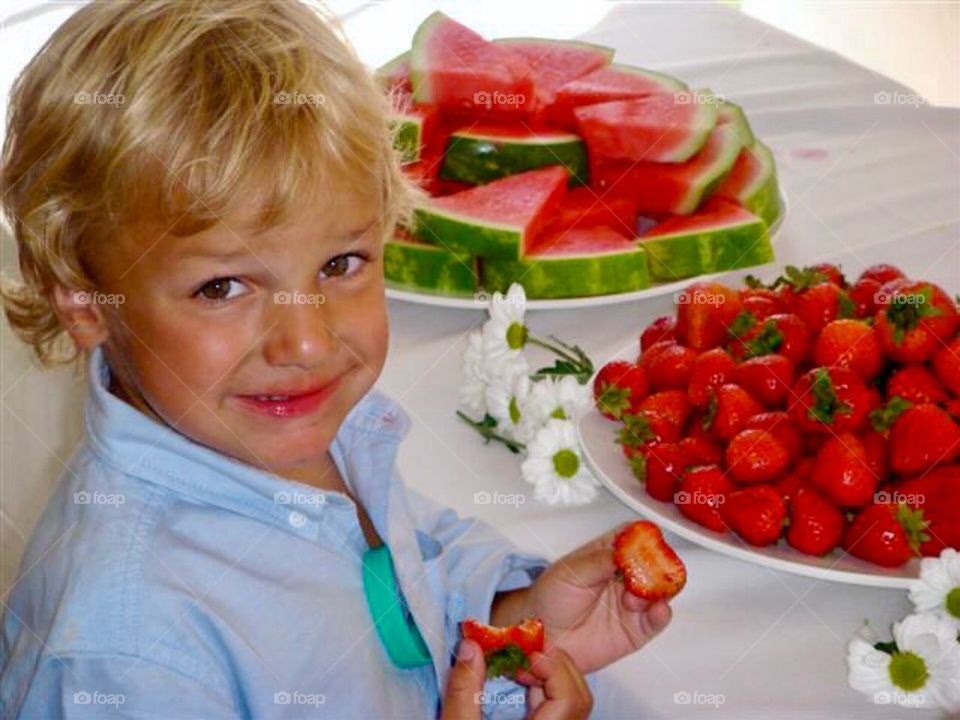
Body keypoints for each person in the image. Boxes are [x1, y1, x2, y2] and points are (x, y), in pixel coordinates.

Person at [0, 1, 672, 717]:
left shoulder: (298, 426)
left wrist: (513, 618)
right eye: (222, 287)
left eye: (340, 262)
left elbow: (401, 569)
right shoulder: (129, 653)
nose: (309, 343)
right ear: (86, 303)